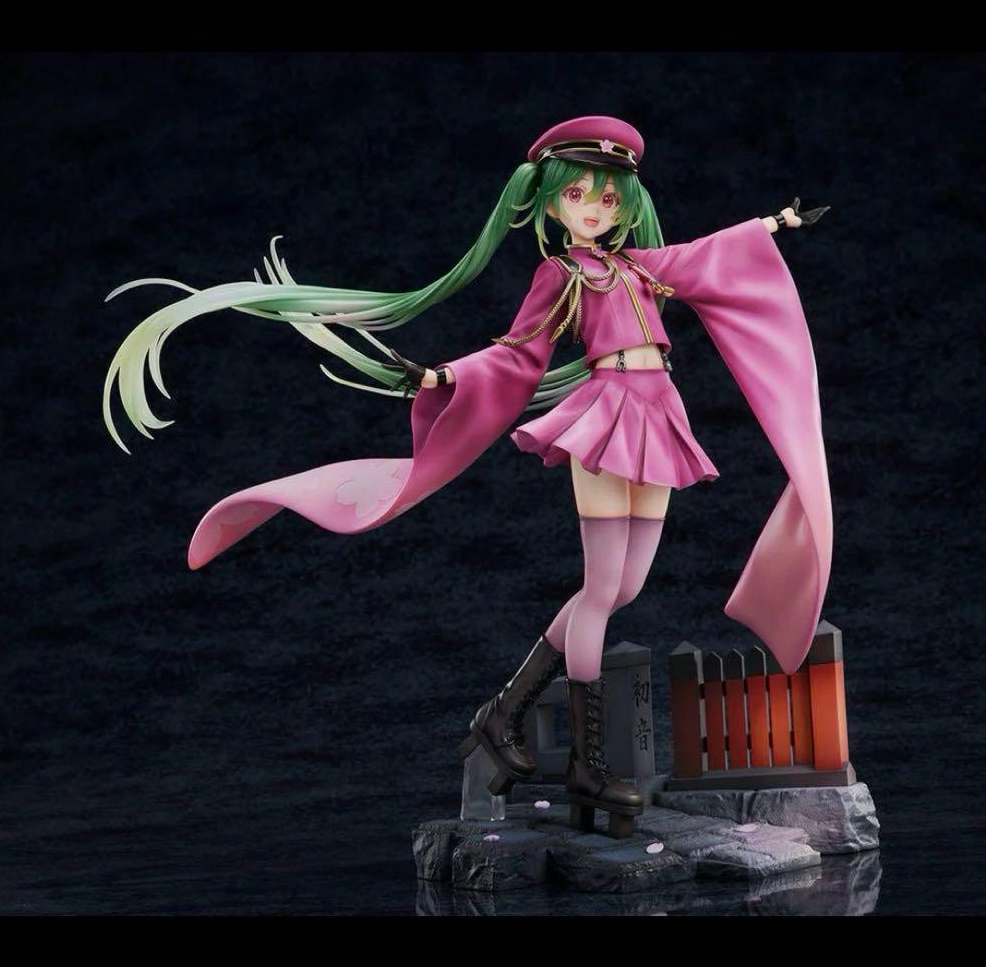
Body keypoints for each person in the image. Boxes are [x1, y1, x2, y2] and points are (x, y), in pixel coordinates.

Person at [103, 116, 832, 835]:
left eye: (609, 197)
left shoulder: (641, 267)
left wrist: (776, 223)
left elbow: (706, 256)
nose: (595, 208)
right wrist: (442, 376)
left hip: (660, 414)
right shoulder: (561, 274)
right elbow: (518, 353)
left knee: (626, 588)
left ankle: (503, 713)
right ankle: (587, 765)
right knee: (602, 589)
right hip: (607, 416)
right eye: (578, 194)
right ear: (550, 202)